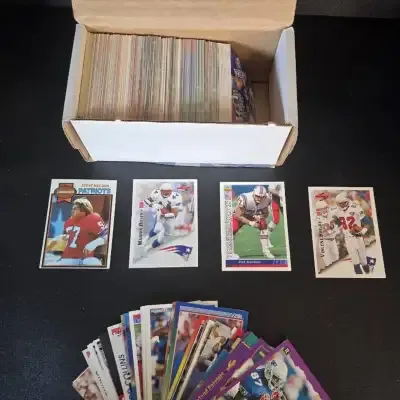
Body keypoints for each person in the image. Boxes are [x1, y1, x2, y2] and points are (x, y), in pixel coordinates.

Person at [47, 197, 106, 266]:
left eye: (75, 209)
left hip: (87, 258)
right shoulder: (69, 222)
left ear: (84, 209)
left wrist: (94, 243)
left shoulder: (93, 218)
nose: (72, 210)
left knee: (95, 263)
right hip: (69, 258)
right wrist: (59, 238)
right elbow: (75, 236)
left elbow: (107, 235)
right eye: (72, 208)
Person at [232, 186, 274, 259]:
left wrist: (260, 216)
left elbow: (266, 214)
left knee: (263, 224)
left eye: (262, 197)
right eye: (257, 196)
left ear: (265, 196)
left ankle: (266, 251)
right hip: (240, 216)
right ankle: (230, 252)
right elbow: (237, 215)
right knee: (233, 229)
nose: (259, 199)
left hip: (252, 215)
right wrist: (251, 223)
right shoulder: (245, 198)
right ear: (254, 194)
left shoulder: (267, 199)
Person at [142, 183, 184, 252]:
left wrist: (164, 214)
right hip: (162, 215)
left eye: (168, 191)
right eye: (164, 191)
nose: (166, 193)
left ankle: (149, 247)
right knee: (156, 229)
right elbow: (146, 200)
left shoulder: (175, 197)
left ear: (171, 191)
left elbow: (174, 214)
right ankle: (146, 239)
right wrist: (152, 205)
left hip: (171, 219)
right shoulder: (156, 193)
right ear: (161, 190)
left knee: (161, 239)